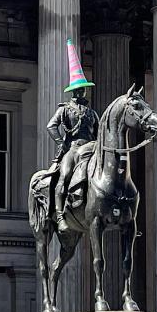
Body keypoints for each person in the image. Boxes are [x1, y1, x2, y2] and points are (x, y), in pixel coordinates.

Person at [47, 39, 99, 233]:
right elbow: (51, 126)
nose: (83, 90)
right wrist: (61, 142)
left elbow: (100, 131)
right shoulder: (65, 109)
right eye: (80, 88)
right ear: (74, 91)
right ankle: (60, 215)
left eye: (84, 87)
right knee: (65, 175)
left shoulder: (91, 112)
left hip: (91, 149)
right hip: (74, 149)